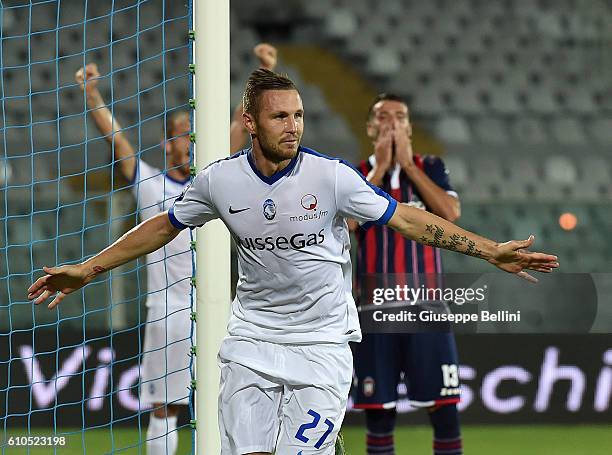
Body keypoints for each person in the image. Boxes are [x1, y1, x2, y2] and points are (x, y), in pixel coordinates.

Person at [29, 69, 559, 455]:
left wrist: (490, 250)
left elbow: (409, 222)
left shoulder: (331, 178)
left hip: (323, 343)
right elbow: (163, 226)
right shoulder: (220, 180)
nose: (293, 126)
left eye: (299, 115)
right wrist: (88, 269)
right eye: (280, 116)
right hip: (252, 341)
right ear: (250, 122)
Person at [73, 43, 278, 455]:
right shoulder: (151, 184)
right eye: (183, 133)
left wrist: (263, 71)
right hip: (168, 313)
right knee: (165, 408)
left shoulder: (217, 183)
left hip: (222, 310)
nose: (191, 139)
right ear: (168, 146)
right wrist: (92, 95)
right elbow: (117, 141)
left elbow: (241, 127)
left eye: (195, 132)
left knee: (228, 404)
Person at [351, 93, 463, 455]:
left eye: (400, 116)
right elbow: (350, 223)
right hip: (374, 311)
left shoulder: (430, 167)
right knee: (379, 414)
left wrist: (408, 167)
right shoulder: (353, 175)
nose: (393, 123)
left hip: (426, 310)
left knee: (444, 411)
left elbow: (450, 215)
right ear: (370, 128)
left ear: (410, 127)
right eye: (384, 117)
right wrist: (381, 170)